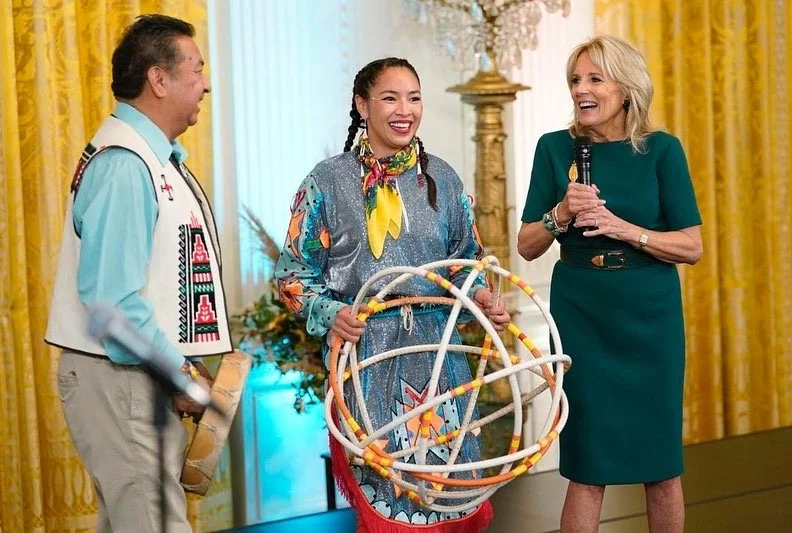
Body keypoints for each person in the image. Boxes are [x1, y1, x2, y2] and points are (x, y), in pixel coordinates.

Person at [275, 57, 509, 532]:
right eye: (389, 97)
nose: (405, 110)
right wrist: (333, 312)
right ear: (361, 105)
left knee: (449, 500)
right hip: (368, 362)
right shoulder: (326, 182)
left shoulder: (443, 178)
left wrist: (481, 296)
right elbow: (292, 276)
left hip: (441, 362)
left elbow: (467, 261)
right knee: (390, 507)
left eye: (414, 97)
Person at [45, 14, 232, 533]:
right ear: (159, 79)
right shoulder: (126, 164)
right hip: (120, 380)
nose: (206, 82)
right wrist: (185, 376)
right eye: (196, 68)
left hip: (132, 380)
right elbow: (112, 305)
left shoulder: (150, 158)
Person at [517, 35, 703, 533]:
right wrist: (561, 214)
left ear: (626, 88)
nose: (582, 90)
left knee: (662, 468)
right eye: (576, 80)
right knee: (585, 467)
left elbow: (692, 246)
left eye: (595, 79)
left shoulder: (663, 150)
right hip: (583, 312)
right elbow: (527, 244)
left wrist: (623, 228)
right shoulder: (555, 149)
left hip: (650, 316)